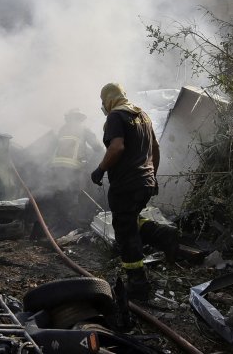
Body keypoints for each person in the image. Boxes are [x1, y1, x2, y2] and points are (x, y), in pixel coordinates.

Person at [90, 83, 174, 301]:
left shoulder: (116, 117)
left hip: (126, 184)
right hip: (145, 182)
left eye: (102, 101)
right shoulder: (142, 115)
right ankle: (163, 235)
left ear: (109, 99)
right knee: (131, 220)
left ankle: (137, 284)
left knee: (125, 233)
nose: (102, 106)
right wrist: (152, 176)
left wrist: (100, 169)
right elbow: (155, 148)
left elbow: (116, 147)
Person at [50, 109, 104, 223]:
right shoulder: (83, 129)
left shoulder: (62, 129)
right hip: (73, 166)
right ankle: (72, 220)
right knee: (74, 191)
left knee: (60, 191)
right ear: (80, 118)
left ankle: (59, 218)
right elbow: (97, 146)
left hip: (56, 165)